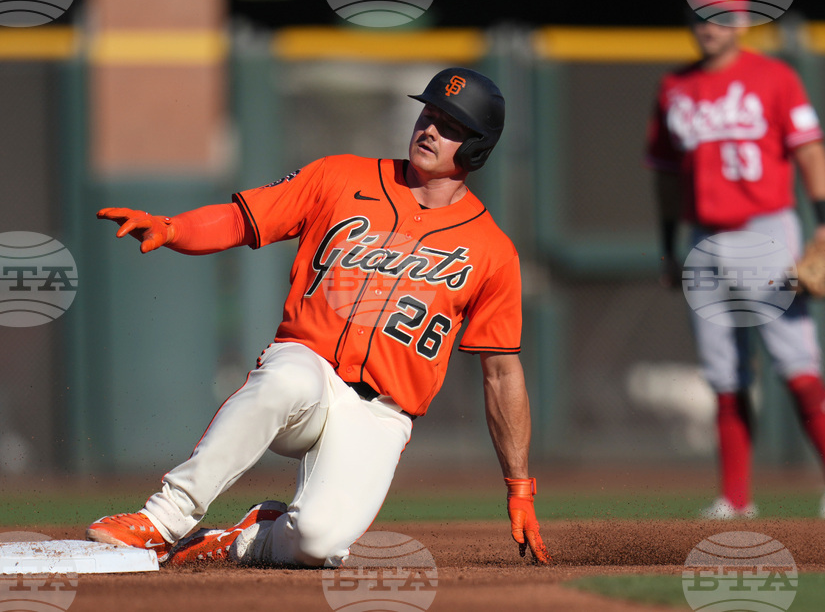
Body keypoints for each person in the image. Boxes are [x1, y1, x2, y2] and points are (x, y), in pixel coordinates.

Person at [86, 67, 551, 566]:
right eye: (429, 113)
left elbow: (501, 374)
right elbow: (245, 218)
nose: (430, 128)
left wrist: (519, 487)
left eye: (451, 125)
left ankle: (248, 538)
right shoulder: (340, 176)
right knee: (287, 381)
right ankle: (165, 517)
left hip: (381, 413)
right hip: (307, 368)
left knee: (318, 543)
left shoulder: (493, 251)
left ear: (478, 147)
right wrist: (174, 228)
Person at [646, 8, 825, 520]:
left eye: (721, 15)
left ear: (742, 21)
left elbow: (811, 152)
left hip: (767, 229)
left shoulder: (775, 76)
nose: (708, 25)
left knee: (796, 364)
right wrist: (666, 244)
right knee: (724, 375)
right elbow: (665, 177)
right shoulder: (674, 87)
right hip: (703, 238)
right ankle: (737, 499)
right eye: (699, 15)